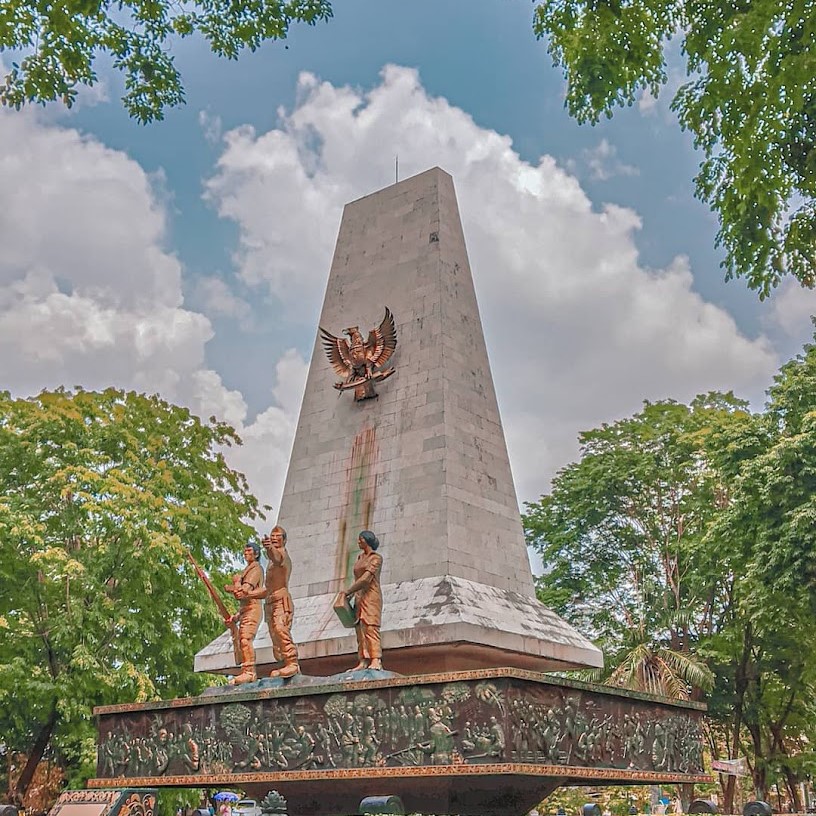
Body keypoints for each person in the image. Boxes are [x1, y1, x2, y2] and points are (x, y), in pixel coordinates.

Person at [246, 525, 299, 678]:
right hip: (270, 602)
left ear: (284, 540)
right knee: (274, 636)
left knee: (280, 629)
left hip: (281, 601)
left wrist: (269, 549)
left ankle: (292, 663)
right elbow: (266, 589)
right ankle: (283, 664)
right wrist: (248, 594)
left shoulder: (282, 556)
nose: (274, 538)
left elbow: (276, 557)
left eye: (278, 536)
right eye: (272, 536)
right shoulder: (270, 565)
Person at [224, 541, 263, 684]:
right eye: (245, 551)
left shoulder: (256, 569)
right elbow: (242, 600)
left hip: (253, 609)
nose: (246, 553)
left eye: (249, 551)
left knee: (246, 639)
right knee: (242, 640)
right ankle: (245, 669)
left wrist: (236, 583)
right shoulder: (247, 570)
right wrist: (236, 617)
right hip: (246, 610)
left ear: (256, 554)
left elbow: (243, 592)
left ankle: (249, 671)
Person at [344, 530, 384, 671]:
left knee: (370, 627)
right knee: (360, 628)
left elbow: (366, 579)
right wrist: (351, 595)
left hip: (371, 596)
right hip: (359, 597)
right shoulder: (360, 557)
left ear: (367, 540)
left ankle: (375, 659)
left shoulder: (376, 558)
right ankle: (363, 660)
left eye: (360, 539)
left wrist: (349, 591)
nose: (358, 542)